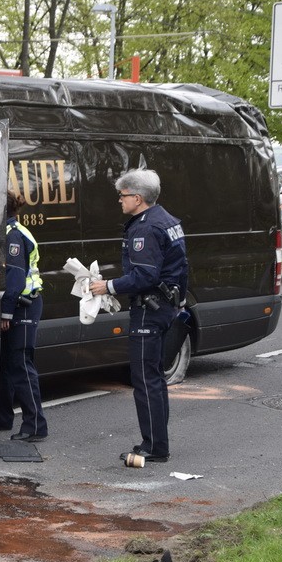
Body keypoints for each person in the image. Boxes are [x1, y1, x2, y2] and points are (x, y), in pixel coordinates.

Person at [89, 169, 189, 463]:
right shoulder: (168, 220)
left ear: (137, 197)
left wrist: (107, 286)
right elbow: (182, 267)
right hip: (165, 306)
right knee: (154, 378)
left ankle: (154, 447)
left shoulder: (145, 228)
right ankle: (157, 442)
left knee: (146, 380)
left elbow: (144, 275)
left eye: (122, 196)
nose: (119, 201)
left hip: (149, 310)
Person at [0, 190, 48, 444]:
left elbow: (15, 278)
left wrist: (6, 312)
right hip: (18, 305)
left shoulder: (13, 236)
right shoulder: (6, 233)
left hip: (23, 306)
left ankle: (35, 425)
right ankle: (1, 416)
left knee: (21, 366)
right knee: (7, 365)